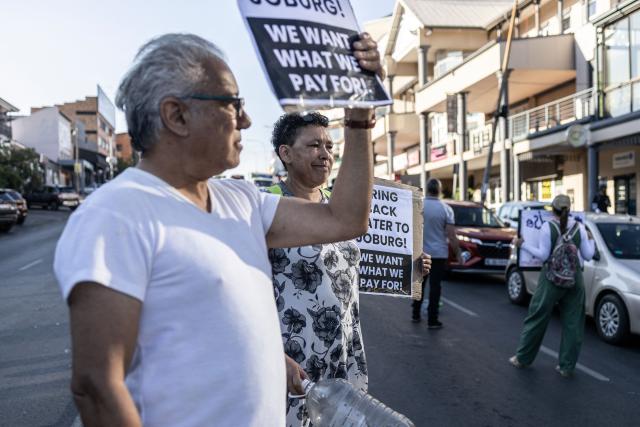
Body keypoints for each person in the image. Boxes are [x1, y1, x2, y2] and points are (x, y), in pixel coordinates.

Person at [53, 33, 382, 427]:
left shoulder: (241, 200)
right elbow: (97, 386)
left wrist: (361, 114)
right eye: (231, 104)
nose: (245, 119)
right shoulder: (116, 214)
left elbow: (344, 219)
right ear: (176, 116)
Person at [266, 111, 432, 426]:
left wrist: (410, 268)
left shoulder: (339, 208)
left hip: (340, 353)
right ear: (285, 153)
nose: (325, 154)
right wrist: (273, 354)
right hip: (291, 357)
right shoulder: (267, 206)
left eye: (329, 146)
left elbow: (352, 270)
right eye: (314, 145)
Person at [509, 194, 595, 377]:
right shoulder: (580, 227)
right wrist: (591, 239)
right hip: (575, 279)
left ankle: (522, 358)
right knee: (573, 324)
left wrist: (522, 245)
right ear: (570, 209)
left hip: (551, 279)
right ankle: (566, 367)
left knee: (537, 317)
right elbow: (587, 256)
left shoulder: (548, 227)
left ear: (552, 209)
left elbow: (542, 255)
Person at [412, 178, 461, 328]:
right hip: (439, 254)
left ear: (426, 189)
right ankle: (432, 319)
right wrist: (458, 253)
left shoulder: (419, 205)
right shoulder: (446, 209)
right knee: (435, 287)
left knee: (419, 283)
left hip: (420, 252)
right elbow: (451, 235)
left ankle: (415, 313)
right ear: (440, 190)